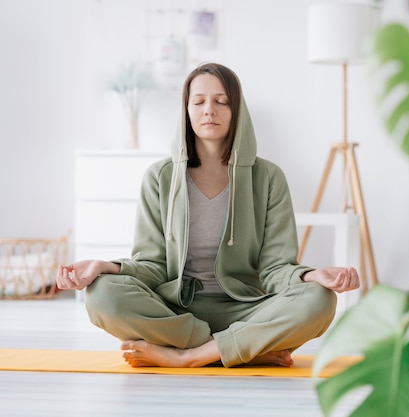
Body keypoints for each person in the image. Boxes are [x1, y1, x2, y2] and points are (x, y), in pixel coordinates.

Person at [56, 63, 360, 368]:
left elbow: (275, 268)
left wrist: (310, 276)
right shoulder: (158, 177)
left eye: (221, 101)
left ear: (237, 109)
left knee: (320, 300)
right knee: (101, 294)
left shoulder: (268, 177)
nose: (209, 110)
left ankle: (188, 356)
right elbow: (152, 265)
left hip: (247, 309)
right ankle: (241, 349)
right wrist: (105, 266)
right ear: (186, 110)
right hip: (175, 312)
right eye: (198, 102)